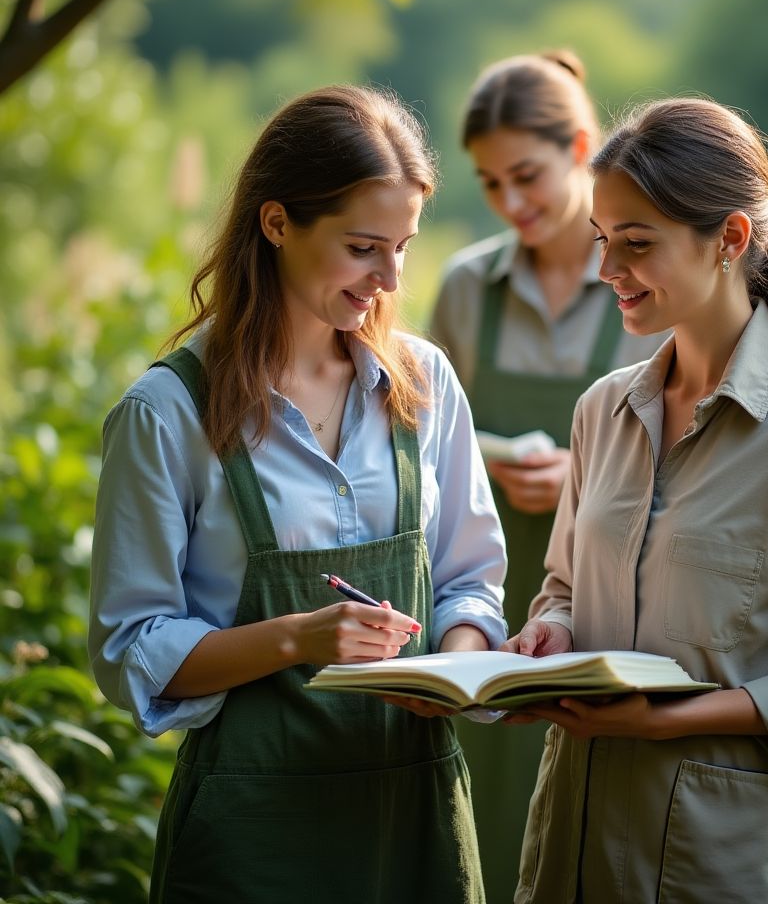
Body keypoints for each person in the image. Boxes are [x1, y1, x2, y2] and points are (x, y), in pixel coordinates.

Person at [88, 86, 507, 904]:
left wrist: (451, 669)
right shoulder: (168, 412)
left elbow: (469, 580)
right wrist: (295, 638)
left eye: (403, 247)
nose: (389, 278)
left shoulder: (423, 386)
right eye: (362, 248)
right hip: (252, 830)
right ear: (276, 224)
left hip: (411, 812)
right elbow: (130, 645)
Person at [504, 97, 768, 903]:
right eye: (602, 240)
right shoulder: (602, 411)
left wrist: (668, 720)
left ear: (729, 239)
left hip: (718, 865)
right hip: (569, 851)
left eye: (637, 243)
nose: (606, 270)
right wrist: (548, 628)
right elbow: (564, 587)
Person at [428, 51, 665, 901]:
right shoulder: (466, 287)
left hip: (601, 602)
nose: (510, 202)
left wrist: (585, 472)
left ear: (580, 148)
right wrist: (495, 458)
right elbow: (420, 436)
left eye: (524, 175)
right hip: (484, 603)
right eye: (490, 185)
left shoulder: (644, 283)